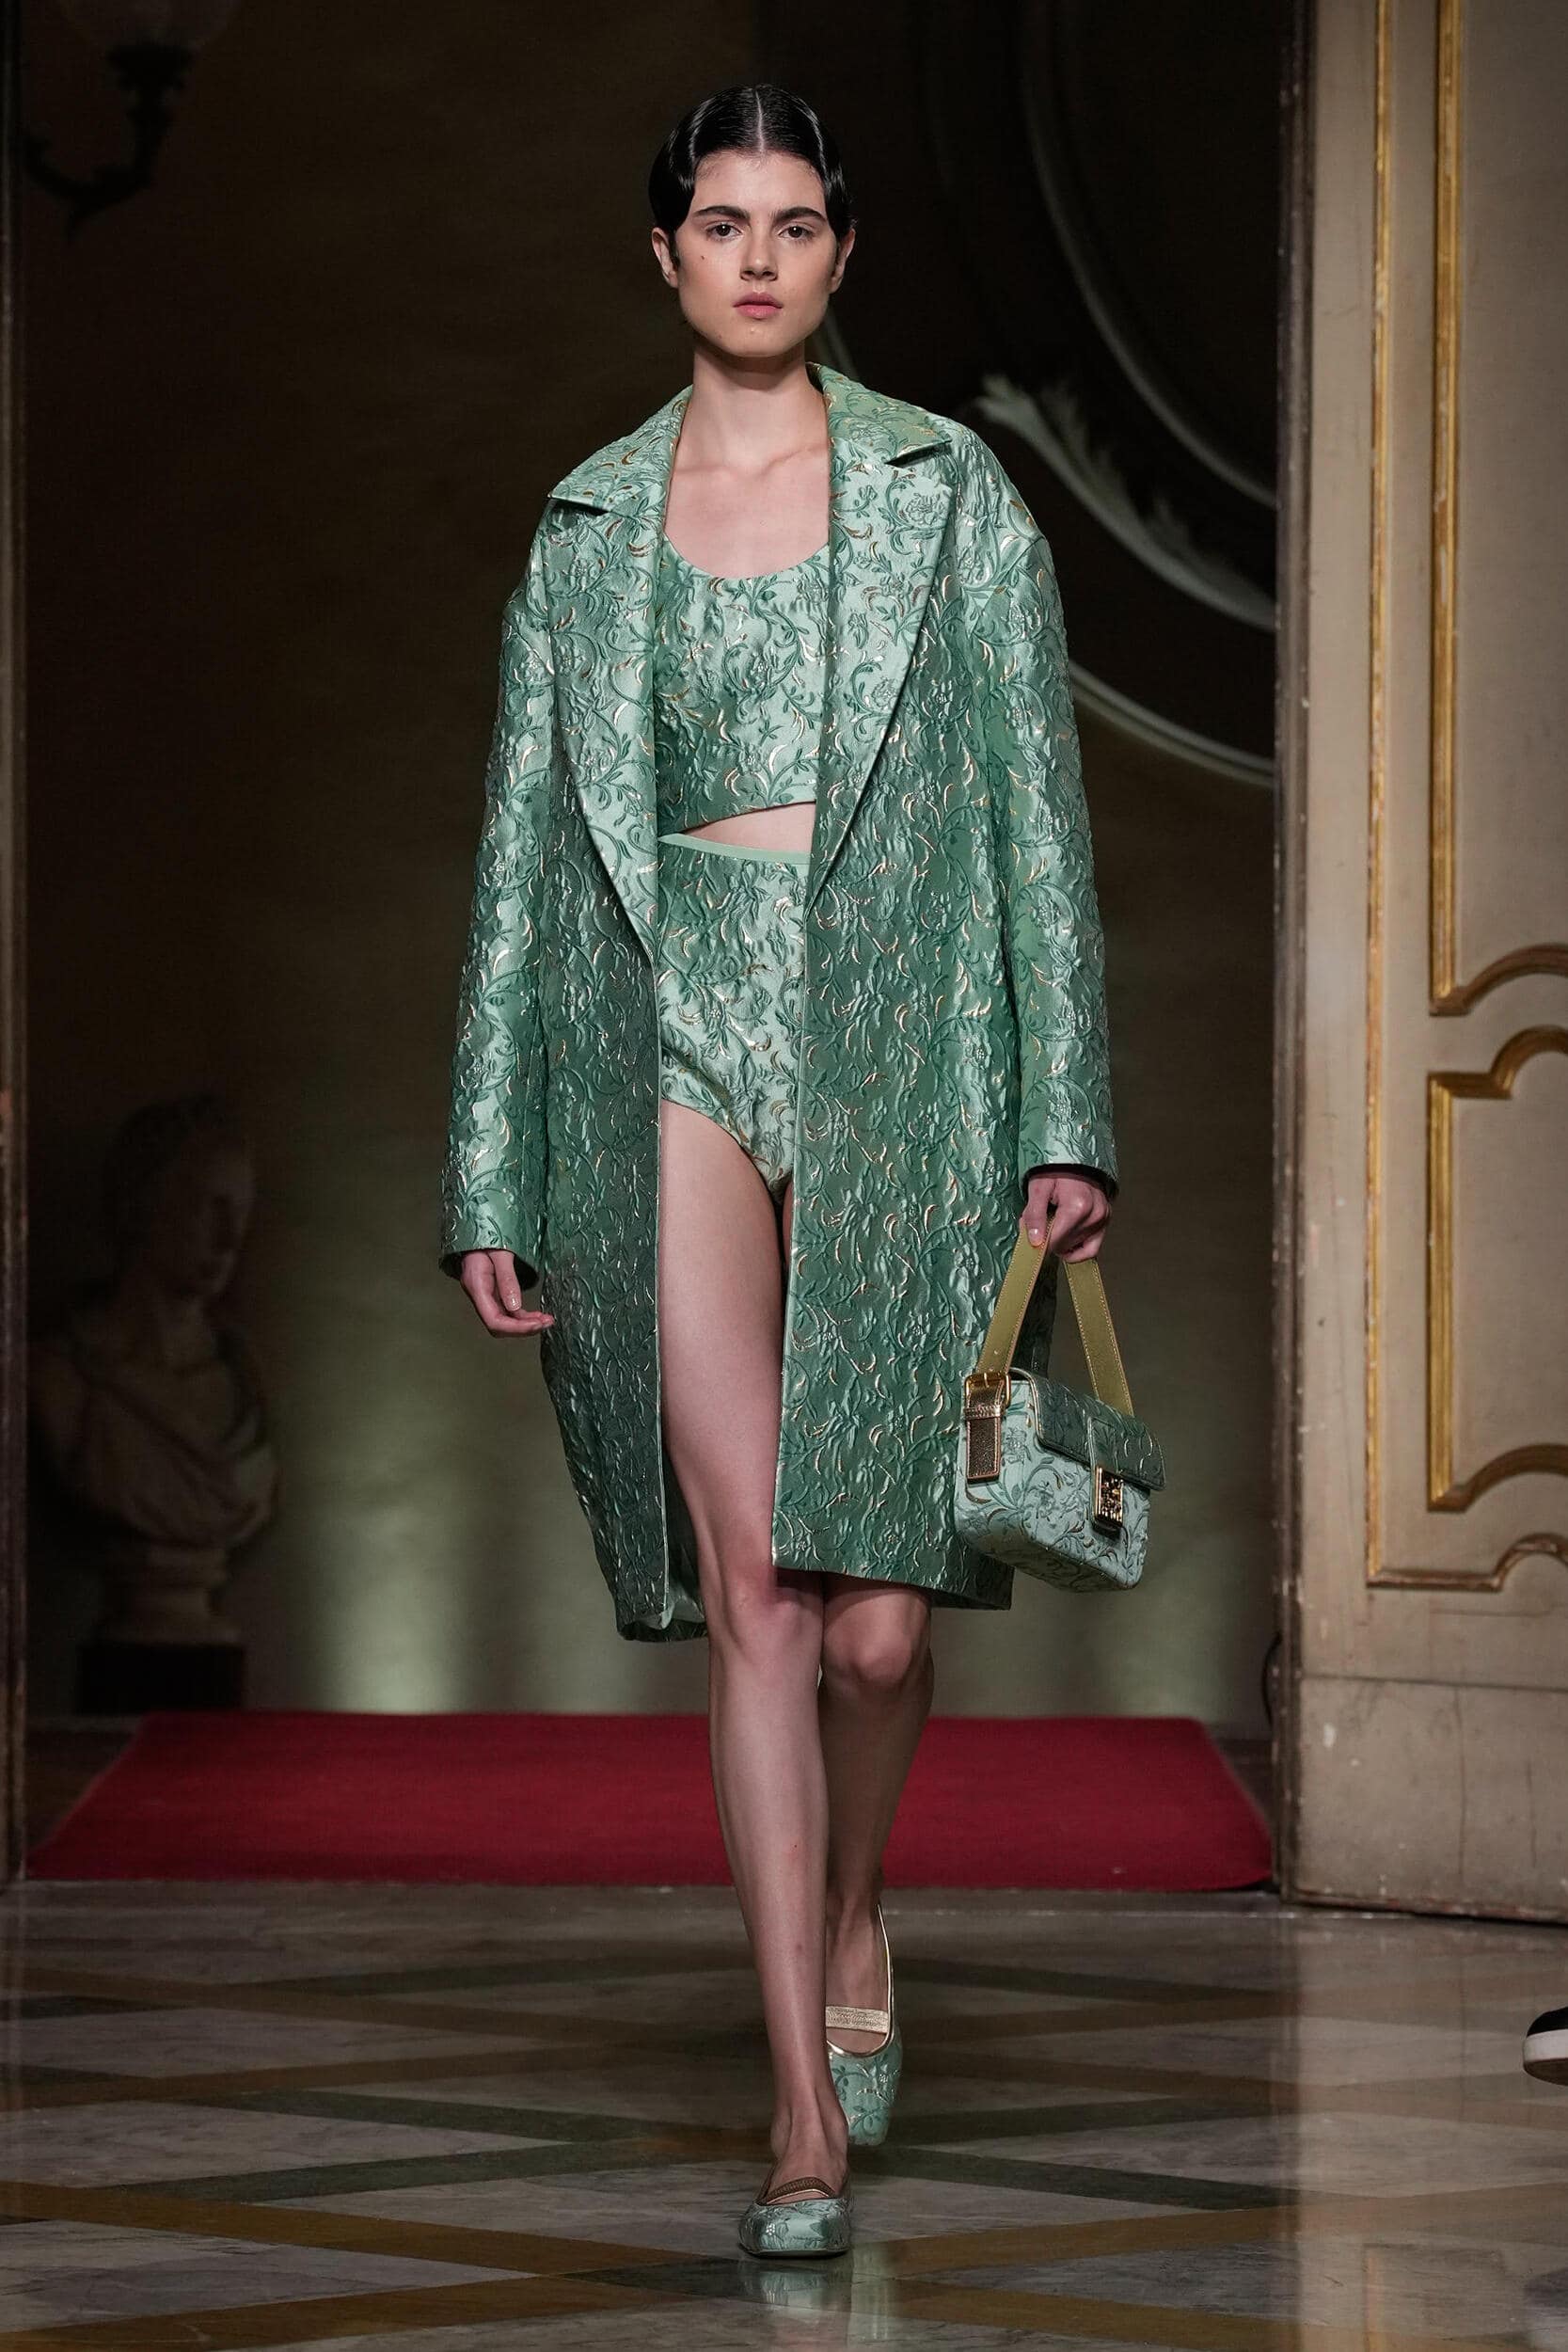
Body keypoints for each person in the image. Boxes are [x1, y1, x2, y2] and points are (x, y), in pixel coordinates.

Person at [439, 83, 1117, 2259]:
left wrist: (1067, 1108)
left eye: (796, 222)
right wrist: (487, 1161)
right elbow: (522, 861)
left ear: (840, 254)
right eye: (721, 221)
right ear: (666, 253)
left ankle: (851, 1900)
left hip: (905, 1043)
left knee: (882, 1630)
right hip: (670, 1038)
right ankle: (801, 2112)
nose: (757, 256)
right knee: (760, 1589)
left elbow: (1036, 811)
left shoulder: (948, 491)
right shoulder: (586, 525)